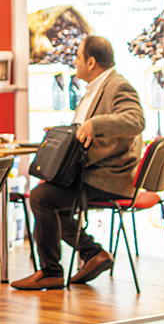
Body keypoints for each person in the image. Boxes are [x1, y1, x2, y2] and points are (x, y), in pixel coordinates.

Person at [12, 35, 145, 290]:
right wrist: (65, 132)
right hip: (93, 172)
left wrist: (95, 124)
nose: (74, 62)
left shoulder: (118, 86)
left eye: (78, 57)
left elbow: (135, 120)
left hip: (108, 176)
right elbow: (85, 129)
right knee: (48, 197)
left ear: (91, 62)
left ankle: (52, 272)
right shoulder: (97, 87)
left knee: (41, 197)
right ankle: (92, 253)